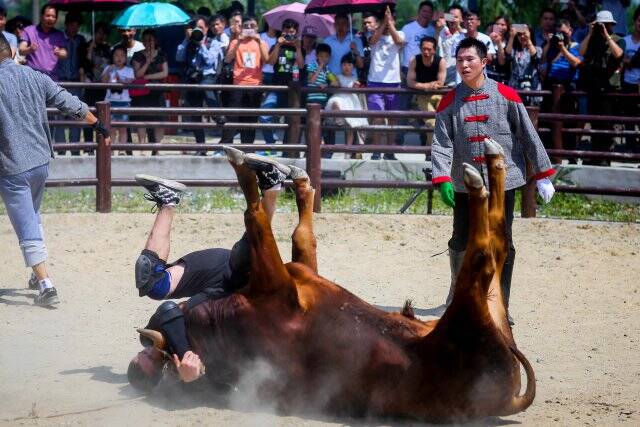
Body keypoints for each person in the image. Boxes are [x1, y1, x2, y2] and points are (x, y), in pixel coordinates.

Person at [128, 151, 306, 389]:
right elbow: (224, 382)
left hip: (213, 278)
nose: (148, 351)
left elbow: (169, 311)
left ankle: (167, 200)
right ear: (159, 374)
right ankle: (271, 186)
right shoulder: (187, 384)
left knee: (150, 281)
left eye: (143, 354)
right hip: (229, 292)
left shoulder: (152, 336)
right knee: (244, 266)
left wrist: (182, 353)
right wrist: (195, 373)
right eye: (150, 358)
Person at [431, 38, 556, 323]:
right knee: (462, 238)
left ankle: (502, 303)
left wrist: (542, 174)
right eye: (459, 59)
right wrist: (442, 178)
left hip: (504, 182)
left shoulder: (507, 95)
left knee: (503, 242)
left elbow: (528, 135)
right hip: (465, 183)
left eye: (470, 59)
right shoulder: (449, 101)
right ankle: (458, 290)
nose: (464, 65)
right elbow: (441, 143)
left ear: (484, 62)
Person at [0, 33, 109, 307]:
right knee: (32, 216)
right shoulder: (35, 76)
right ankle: (38, 277)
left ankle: (47, 284)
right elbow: (67, 101)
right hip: (40, 162)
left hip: (11, 166)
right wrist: (97, 123)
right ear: (13, 51)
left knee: (26, 226)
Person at [578, 10, 625, 162]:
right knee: (595, 123)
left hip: (610, 89)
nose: (603, 27)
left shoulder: (618, 39)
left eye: (606, 24)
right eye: (601, 24)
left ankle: (606, 156)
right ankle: (596, 156)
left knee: (608, 124)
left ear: (611, 25)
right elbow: (581, 51)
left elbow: (618, 54)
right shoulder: (591, 39)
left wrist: (606, 36)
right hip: (594, 87)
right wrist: (590, 33)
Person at [176, 16, 226, 152]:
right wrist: (187, 38)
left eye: (201, 28)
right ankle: (201, 147)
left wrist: (201, 43)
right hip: (193, 78)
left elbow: (209, 61)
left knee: (205, 87)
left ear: (206, 29)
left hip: (208, 76)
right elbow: (179, 56)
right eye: (195, 28)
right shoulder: (188, 42)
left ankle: (217, 115)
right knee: (195, 113)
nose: (198, 31)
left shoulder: (213, 42)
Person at [219, 15, 269, 145]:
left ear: (257, 28)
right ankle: (226, 146)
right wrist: (238, 41)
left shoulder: (261, 42)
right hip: (238, 84)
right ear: (241, 28)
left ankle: (247, 148)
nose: (249, 29)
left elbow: (267, 60)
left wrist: (258, 41)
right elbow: (228, 59)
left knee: (251, 119)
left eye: (252, 26)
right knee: (232, 117)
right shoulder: (236, 42)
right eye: (246, 27)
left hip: (255, 84)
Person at [366, 7, 405, 160]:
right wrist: (383, 23)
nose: (388, 23)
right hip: (375, 81)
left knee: (392, 119)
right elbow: (373, 41)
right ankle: (377, 150)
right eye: (384, 20)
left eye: (390, 20)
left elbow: (399, 42)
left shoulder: (399, 33)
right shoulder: (373, 34)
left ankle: (390, 151)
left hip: (393, 82)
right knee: (378, 118)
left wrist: (390, 23)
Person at [540, 20, 583, 153]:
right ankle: (551, 152)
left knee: (569, 121)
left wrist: (563, 48)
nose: (561, 36)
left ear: (570, 32)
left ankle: (569, 153)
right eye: (559, 33)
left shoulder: (576, 47)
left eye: (564, 33)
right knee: (549, 121)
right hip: (551, 86)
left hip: (568, 88)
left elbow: (575, 63)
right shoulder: (551, 47)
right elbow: (542, 60)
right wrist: (549, 43)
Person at [53, 12, 87, 155]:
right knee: (59, 115)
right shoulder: (59, 38)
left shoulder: (81, 39)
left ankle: (74, 149)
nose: (75, 28)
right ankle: (60, 149)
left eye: (77, 25)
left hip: (76, 82)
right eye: (72, 25)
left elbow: (85, 61)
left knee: (77, 113)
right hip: (60, 81)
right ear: (66, 25)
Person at [325, 54, 369, 159]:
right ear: (341, 66)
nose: (346, 67)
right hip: (341, 98)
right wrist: (334, 81)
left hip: (352, 101)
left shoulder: (355, 77)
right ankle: (338, 118)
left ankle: (348, 151)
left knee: (351, 126)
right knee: (335, 103)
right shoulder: (338, 76)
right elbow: (335, 84)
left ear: (353, 66)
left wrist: (356, 86)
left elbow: (358, 89)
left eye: (349, 65)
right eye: (344, 65)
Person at [406, 36, 445, 152]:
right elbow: (409, 81)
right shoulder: (415, 60)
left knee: (441, 123)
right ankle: (431, 151)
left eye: (429, 49)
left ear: (434, 49)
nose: (426, 52)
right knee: (432, 123)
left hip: (438, 96)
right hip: (422, 96)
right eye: (424, 49)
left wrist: (420, 85)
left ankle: (431, 151)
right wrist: (427, 86)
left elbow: (440, 83)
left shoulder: (441, 61)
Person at [131, 29, 169, 149]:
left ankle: (158, 147)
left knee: (159, 121)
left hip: (158, 91)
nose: (148, 42)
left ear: (155, 40)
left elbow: (164, 73)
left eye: (150, 40)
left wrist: (147, 76)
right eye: (145, 40)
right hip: (142, 92)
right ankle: (142, 147)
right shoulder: (137, 55)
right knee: (142, 120)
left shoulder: (162, 54)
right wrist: (147, 62)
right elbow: (137, 74)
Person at [82, 22, 111, 151]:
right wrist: (89, 50)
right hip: (89, 86)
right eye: (98, 32)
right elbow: (85, 64)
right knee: (88, 114)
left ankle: (101, 142)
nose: (101, 35)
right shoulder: (87, 46)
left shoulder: (107, 49)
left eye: (103, 33)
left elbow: (108, 65)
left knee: (102, 116)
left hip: (102, 87)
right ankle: (88, 146)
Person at [18, 4, 68, 80]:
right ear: (41, 16)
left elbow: (65, 53)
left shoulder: (59, 35)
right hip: (32, 78)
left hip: (52, 79)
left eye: (53, 16)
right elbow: (21, 50)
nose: (50, 18)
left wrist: (59, 52)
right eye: (48, 16)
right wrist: (30, 49)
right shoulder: (29, 30)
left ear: (56, 19)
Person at [448, 10, 496, 84]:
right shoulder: (457, 39)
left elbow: (489, 60)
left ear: (478, 22)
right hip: (461, 81)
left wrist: (483, 51)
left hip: (480, 82)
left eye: (472, 19)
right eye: (467, 19)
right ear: (463, 22)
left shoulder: (485, 39)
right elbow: (457, 59)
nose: (469, 22)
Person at [101, 46, 134, 150]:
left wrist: (120, 80)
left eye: (122, 55)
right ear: (113, 57)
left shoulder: (129, 70)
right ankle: (111, 150)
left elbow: (130, 81)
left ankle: (122, 149)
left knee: (123, 128)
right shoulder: (108, 68)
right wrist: (108, 72)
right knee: (111, 128)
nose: (119, 58)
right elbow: (103, 81)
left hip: (124, 102)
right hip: (110, 101)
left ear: (125, 58)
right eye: (116, 55)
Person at [505, 24, 542, 106]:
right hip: (514, 87)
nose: (522, 36)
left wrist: (528, 39)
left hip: (532, 87)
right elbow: (507, 55)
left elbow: (535, 57)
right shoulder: (514, 50)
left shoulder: (538, 49)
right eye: (519, 34)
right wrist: (511, 37)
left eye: (524, 34)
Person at [622, 7, 640, 153]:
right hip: (628, 84)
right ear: (635, 22)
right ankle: (629, 148)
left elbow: (627, 61)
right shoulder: (625, 41)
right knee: (628, 118)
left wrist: (630, 61)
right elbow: (622, 62)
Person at [438, 4, 465, 86]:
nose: (453, 19)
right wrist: (438, 28)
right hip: (442, 76)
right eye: (450, 16)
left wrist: (458, 27)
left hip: (459, 78)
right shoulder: (441, 31)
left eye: (456, 17)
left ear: (462, 19)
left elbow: (470, 44)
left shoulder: (465, 33)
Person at [486, 16, 510, 84]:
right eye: (497, 24)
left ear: (507, 26)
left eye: (503, 25)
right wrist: (489, 40)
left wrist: (499, 43)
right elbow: (488, 59)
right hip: (488, 79)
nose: (499, 27)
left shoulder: (509, 42)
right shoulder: (488, 40)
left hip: (503, 81)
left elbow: (502, 62)